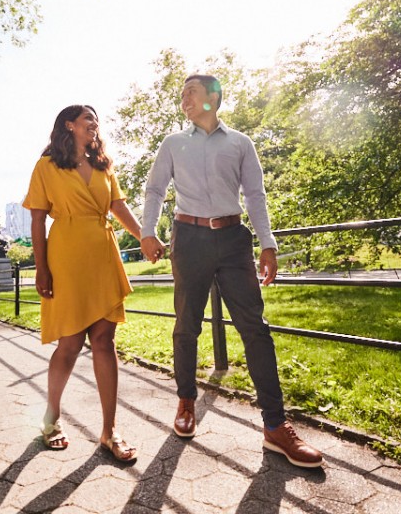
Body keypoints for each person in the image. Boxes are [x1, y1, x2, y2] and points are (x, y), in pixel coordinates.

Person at [140, 74, 324, 469]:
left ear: (212, 98)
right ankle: (186, 401)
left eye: (191, 92)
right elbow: (154, 190)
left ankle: (276, 426)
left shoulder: (241, 143)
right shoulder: (173, 143)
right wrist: (147, 231)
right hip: (188, 238)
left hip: (233, 239)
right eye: (182, 94)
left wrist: (268, 243)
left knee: (255, 328)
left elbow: (255, 195)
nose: (184, 98)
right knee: (186, 324)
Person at [23, 104, 142, 463]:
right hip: (67, 257)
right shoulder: (46, 166)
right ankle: (51, 418)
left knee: (105, 342)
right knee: (70, 344)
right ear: (69, 125)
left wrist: (145, 237)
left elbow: (118, 207)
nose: (94, 124)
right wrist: (41, 269)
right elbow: (38, 221)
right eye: (87, 118)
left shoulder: (105, 165)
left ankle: (109, 431)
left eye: (96, 120)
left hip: (103, 256)